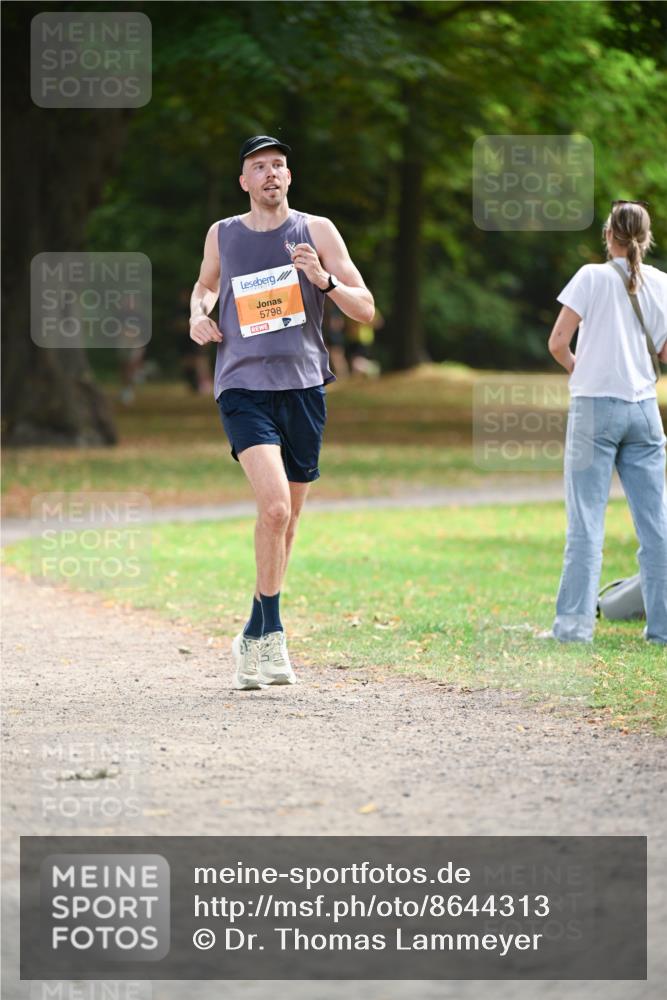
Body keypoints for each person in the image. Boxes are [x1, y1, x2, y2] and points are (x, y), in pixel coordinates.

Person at [189, 135, 374, 687]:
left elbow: (365, 308)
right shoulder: (223, 233)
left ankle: (254, 633)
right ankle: (273, 635)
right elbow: (204, 286)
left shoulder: (318, 231)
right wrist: (199, 315)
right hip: (242, 386)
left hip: (304, 388)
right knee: (273, 510)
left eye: (278, 165)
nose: (270, 173)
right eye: (259, 167)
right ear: (243, 181)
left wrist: (324, 281)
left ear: (289, 177)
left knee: (288, 522)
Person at [544, 200, 667, 644]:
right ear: (645, 238)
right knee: (656, 526)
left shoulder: (591, 277)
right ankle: (662, 629)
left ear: (608, 235)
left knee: (586, 523)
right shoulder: (661, 283)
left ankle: (573, 628)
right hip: (644, 411)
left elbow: (558, 342)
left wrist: (580, 366)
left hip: (594, 408)